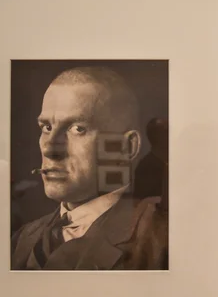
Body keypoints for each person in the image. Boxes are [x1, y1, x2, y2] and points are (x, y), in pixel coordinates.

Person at [11, 66, 168, 271]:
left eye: (77, 129)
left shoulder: (164, 240)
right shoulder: (22, 239)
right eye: (46, 127)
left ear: (126, 147)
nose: (49, 149)